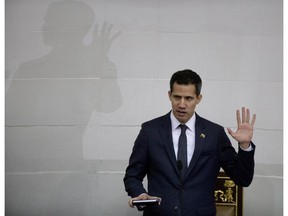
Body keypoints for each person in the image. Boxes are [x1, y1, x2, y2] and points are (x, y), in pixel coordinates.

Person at [123, 69, 256, 216]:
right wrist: (140, 193)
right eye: (177, 97)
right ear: (169, 95)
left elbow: (242, 179)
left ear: (198, 98)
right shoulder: (150, 131)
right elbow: (132, 175)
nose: (181, 104)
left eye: (188, 98)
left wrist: (244, 147)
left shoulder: (214, 133)